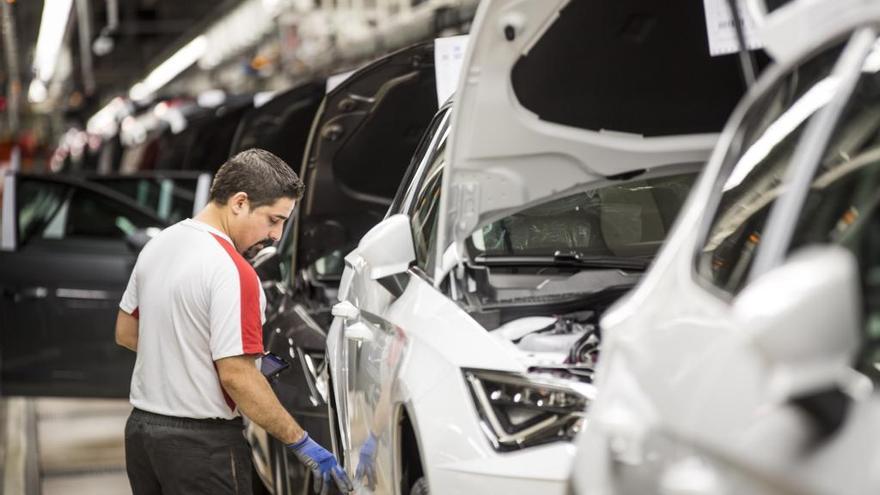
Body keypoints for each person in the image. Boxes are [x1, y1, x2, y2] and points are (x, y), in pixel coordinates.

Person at [114, 148, 352, 495]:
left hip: (142, 436)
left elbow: (126, 331)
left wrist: (191, 358)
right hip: (200, 448)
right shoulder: (233, 271)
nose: (277, 236)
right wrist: (302, 443)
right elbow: (237, 376)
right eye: (274, 219)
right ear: (239, 202)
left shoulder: (160, 245)